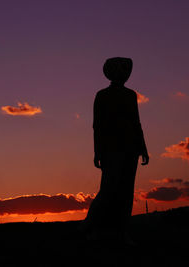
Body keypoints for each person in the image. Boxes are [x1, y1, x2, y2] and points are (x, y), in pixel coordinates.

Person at [83, 57, 149, 243]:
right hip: (112, 149)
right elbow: (97, 126)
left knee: (126, 190)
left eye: (125, 71)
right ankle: (91, 225)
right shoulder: (102, 95)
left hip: (131, 148)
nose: (124, 74)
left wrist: (142, 148)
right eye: (120, 71)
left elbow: (136, 123)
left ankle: (121, 229)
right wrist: (98, 152)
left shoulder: (130, 95)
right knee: (108, 189)